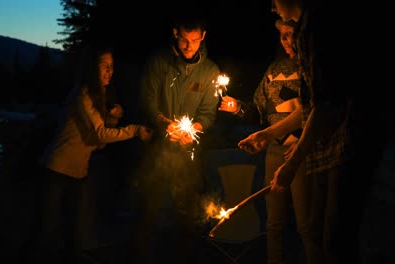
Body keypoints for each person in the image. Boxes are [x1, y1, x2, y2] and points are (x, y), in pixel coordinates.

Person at [238, 0, 355, 263]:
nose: (272, 6)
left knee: (328, 237)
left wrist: (295, 158)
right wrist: (266, 134)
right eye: (282, 36)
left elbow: (323, 106)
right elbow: (307, 107)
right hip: (317, 150)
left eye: (275, 1)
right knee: (315, 229)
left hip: (338, 146)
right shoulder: (277, 67)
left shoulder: (313, 30)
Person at [26, 44, 153, 264]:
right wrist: (133, 130)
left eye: (111, 67)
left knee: (73, 230)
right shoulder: (82, 93)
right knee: (45, 229)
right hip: (56, 169)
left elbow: (97, 143)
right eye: (104, 66)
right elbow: (100, 134)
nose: (109, 72)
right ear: (91, 68)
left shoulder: (98, 96)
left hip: (77, 172)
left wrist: (113, 119)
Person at [219, 18, 315, 264]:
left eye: (291, 34)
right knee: (274, 223)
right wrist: (238, 108)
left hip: (303, 153)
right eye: (282, 35)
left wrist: (302, 143)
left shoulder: (311, 69)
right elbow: (258, 111)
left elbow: (314, 111)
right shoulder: (273, 71)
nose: (287, 41)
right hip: (274, 152)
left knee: (306, 224)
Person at [132, 14, 221, 263]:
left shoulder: (210, 70)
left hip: (188, 154)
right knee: (148, 210)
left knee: (188, 215)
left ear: (203, 36)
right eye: (184, 39)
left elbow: (208, 113)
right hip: (156, 152)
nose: (189, 46)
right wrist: (164, 124)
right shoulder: (159, 63)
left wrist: (194, 129)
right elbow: (147, 100)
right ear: (175, 33)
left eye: (194, 40)